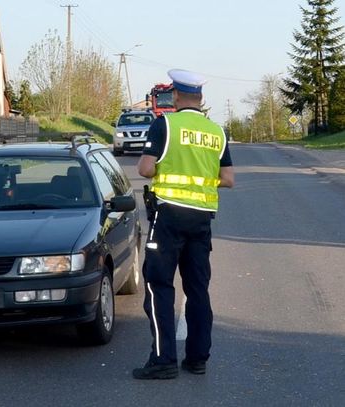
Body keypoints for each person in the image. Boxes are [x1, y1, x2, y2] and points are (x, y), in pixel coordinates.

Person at [133, 69, 234, 380]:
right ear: (201, 99)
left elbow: (146, 169)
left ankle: (163, 361)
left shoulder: (165, 124)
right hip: (201, 219)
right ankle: (197, 359)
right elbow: (228, 180)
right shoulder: (217, 132)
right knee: (197, 288)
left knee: (159, 286)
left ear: (175, 97)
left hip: (168, 217)